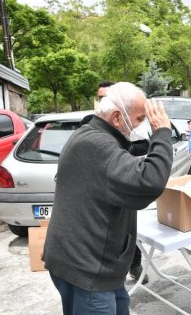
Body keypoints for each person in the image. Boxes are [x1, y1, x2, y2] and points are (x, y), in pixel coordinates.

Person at [43, 82, 173, 315]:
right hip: (88, 269)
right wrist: (161, 133)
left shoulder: (92, 135)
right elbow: (150, 181)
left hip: (98, 265)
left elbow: (125, 164)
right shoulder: (96, 144)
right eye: (140, 118)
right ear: (116, 117)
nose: (142, 125)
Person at [88, 80, 150, 283]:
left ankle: (135, 264)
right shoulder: (91, 126)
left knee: (130, 230)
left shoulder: (132, 126)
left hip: (126, 185)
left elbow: (144, 147)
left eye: (105, 98)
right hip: (106, 197)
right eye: (99, 98)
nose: (101, 102)